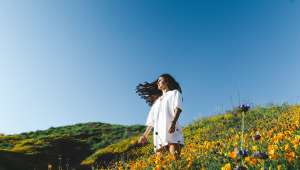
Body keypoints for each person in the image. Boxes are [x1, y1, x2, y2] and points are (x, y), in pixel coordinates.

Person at [136, 73, 184, 160]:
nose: (157, 83)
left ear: (167, 82)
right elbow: (152, 121)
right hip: (159, 134)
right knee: (160, 164)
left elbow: (178, 108)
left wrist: (173, 123)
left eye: (160, 81)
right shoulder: (157, 102)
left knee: (176, 160)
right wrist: (144, 135)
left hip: (171, 130)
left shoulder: (174, 93)